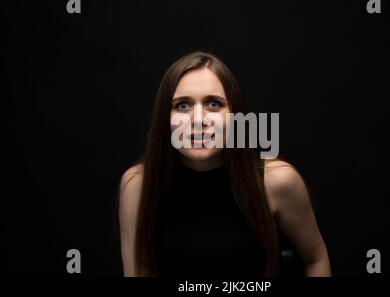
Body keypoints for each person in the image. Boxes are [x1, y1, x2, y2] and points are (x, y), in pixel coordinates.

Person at [118, 51, 331, 277]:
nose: (198, 120)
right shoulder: (137, 186)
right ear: (164, 118)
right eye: (182, 106)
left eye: (213, 104)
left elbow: (315, 259)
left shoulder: (277, 182)